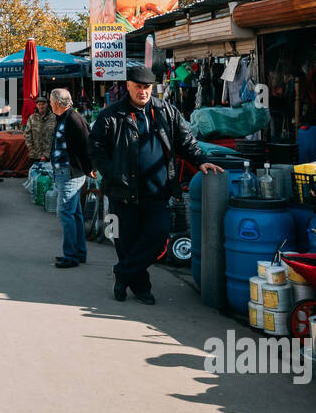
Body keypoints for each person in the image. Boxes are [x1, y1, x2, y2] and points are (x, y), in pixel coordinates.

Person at [89, 65, 224, 305]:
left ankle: (122, 273)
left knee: (158, 235)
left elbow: (186, 141)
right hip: (122, 193)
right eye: (138, 86)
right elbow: (96, 148)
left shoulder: (166, 111)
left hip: (157, 191)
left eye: (147, 87)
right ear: (128, 86)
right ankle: (141, 288)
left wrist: (202, 161)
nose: (143, 91)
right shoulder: (110, 115)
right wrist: (111, 172)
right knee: (126, 242)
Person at [48, 88, 93, 269]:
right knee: (74, 214)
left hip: (70, 173)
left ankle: (71, 255)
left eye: (51, 102)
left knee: (66, 213)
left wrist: (90, 168)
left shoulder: (73, 119)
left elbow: (86, 145)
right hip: (65, 172)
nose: (50, 105)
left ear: (58, 103)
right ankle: (78, 253)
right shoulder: (65, 118)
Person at [22, 93, 56, 163]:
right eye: (39, 104)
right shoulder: (32, 118)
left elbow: (57, 134)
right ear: (36, 106)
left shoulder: (54, 118)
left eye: (43, 104)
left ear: (47, 105)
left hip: (50, 153)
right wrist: (31, 148)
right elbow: (27, 134)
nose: (41, 106)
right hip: (35, 154)